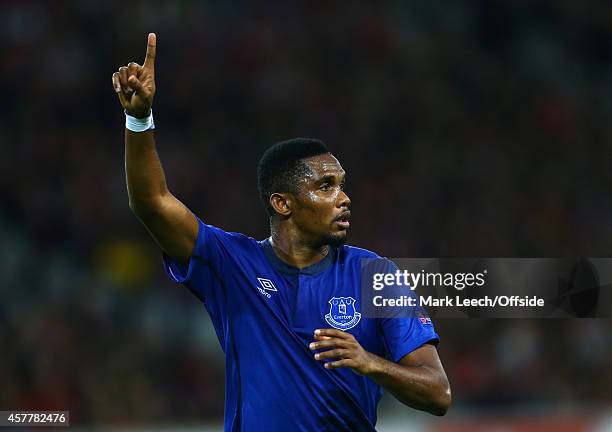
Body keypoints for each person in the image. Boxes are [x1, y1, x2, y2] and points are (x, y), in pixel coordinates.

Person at [112, 33, 451, 431]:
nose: (344, 199)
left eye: (342, 185)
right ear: (282, 203)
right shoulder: (231, 265)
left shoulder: (375, 276)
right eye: (326, 186)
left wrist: (370, 363)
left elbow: (438, 393)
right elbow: (150, 202)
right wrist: (139, 120)